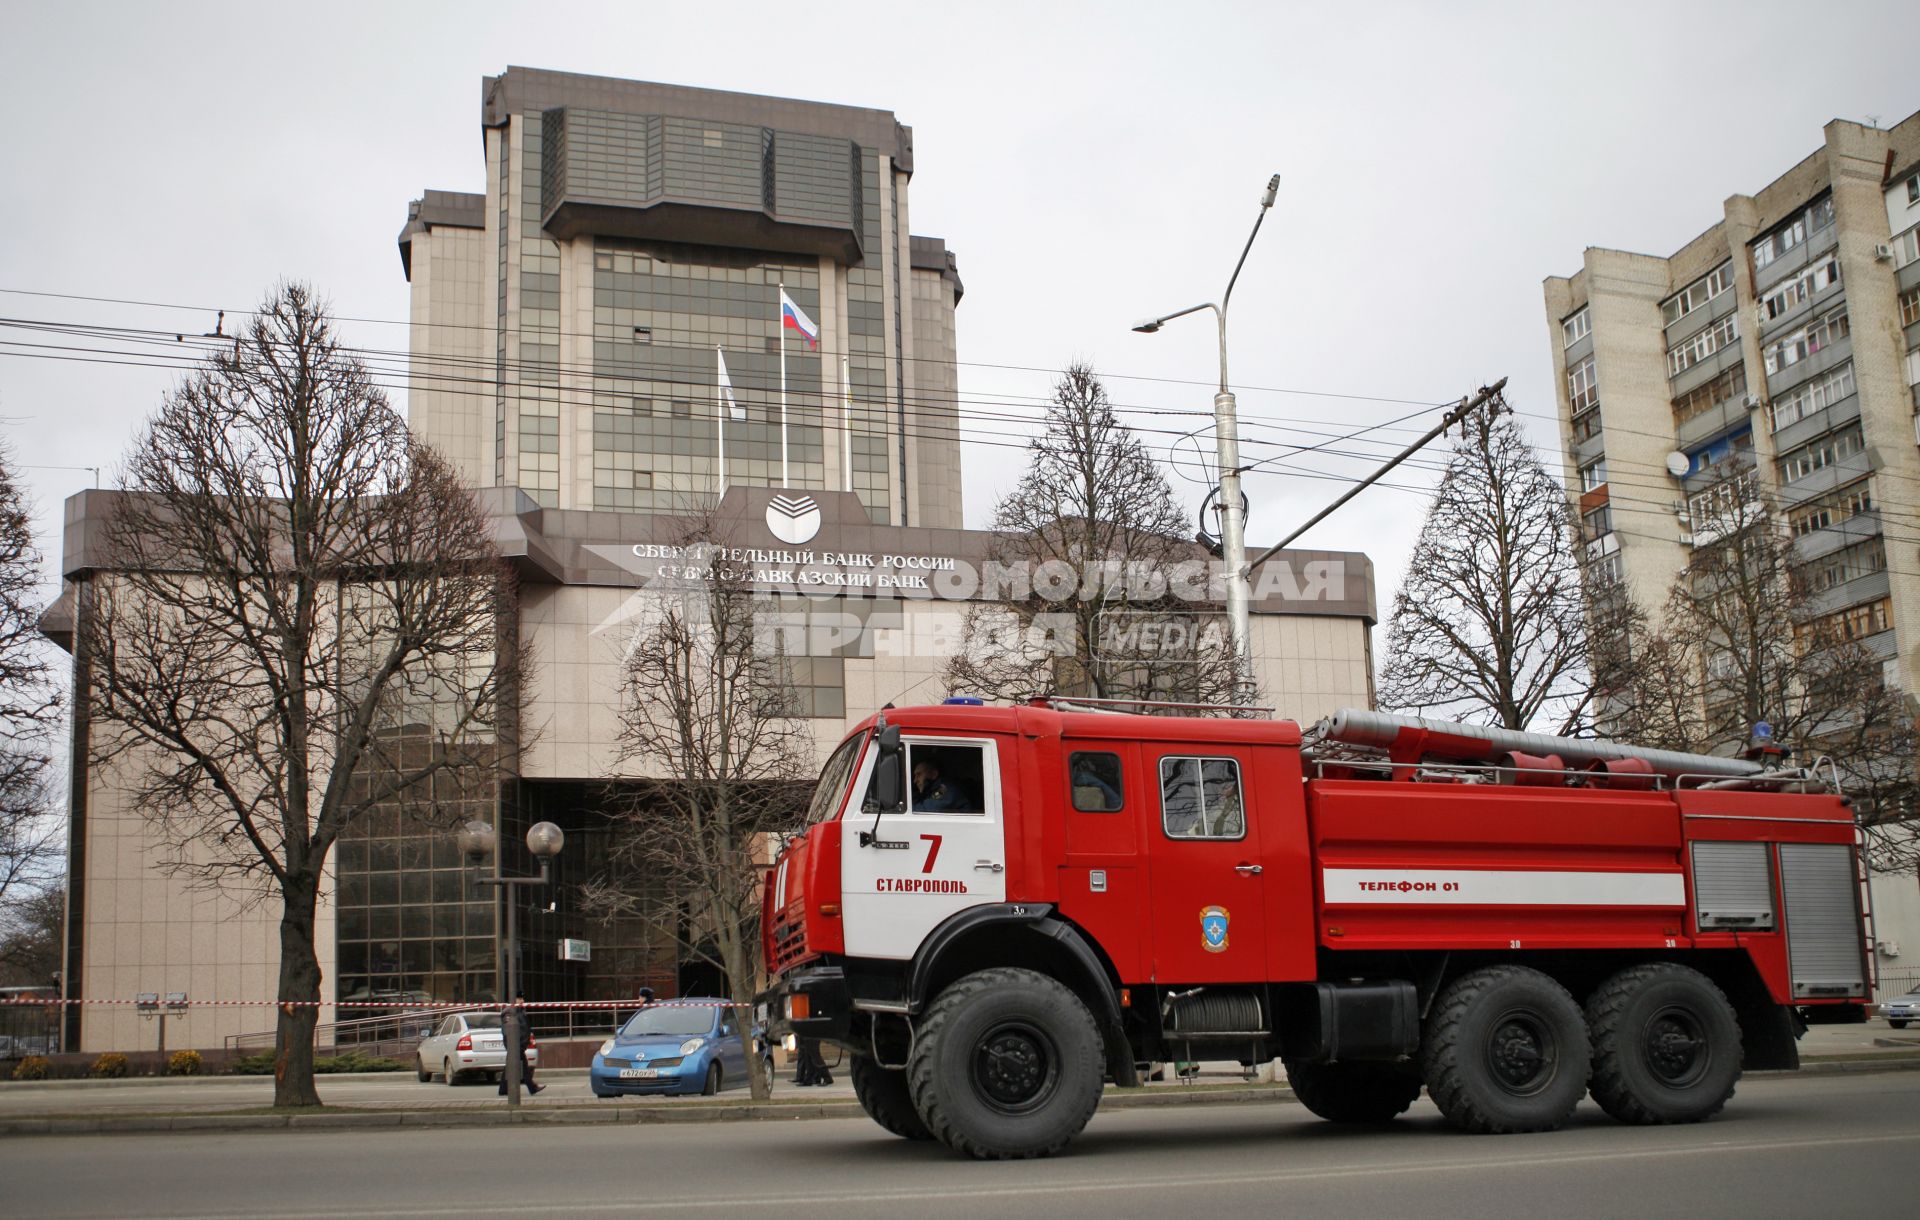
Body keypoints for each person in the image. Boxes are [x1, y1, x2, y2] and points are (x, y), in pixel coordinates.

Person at [499, 991, 543, 1097]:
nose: (522, 1001)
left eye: (522, 998)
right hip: (515, 1044)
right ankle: (532, 1087)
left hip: (520, 1044)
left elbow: (524, 1028)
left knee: (511, 1066)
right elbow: (507, 1030)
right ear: (513, 1000)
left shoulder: (520, 1011)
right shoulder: (509, 1012)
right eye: (519, 999)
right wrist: (514, 1043)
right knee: (524, 1067)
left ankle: (503, 1089)